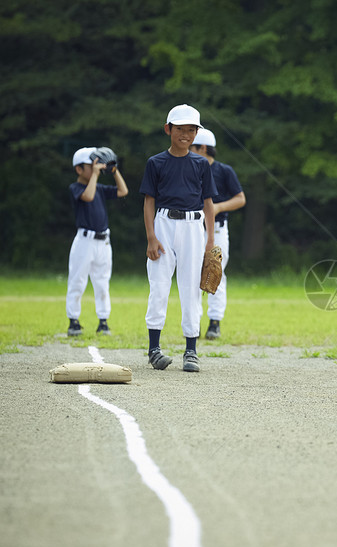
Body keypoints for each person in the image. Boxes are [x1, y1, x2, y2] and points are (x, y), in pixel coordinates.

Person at [140, 104, 217, 372]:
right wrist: (151, 237)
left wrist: (210, 240)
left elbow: (208, 203)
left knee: (191, 289)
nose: (186, 134)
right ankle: (154, 349)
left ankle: (191, 351)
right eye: (180, 128)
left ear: (197, 133)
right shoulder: (156, 162)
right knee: (159, 286)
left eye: (191, 129)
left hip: (194, 227)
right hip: (163, 224)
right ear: (168, 129)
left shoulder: (200, 164)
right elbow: (149, 201)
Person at [189, 128, 247, 340]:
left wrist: (219, 208)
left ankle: (214, 322)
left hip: (218, 229)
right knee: (193, 275)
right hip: (194, 229)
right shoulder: (191, 169)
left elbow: (240, 198)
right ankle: (194, 321)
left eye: (193, 147)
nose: (189, 150)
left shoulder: (224, 171)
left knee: (215, 273)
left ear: (203, 148)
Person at [65, 147, 128, 337]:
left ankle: (103, 321)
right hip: (85, 241)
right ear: (79, 169)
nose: (96, 169)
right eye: (90, 165)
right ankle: (73, 321)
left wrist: (114, 170)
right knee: (78, 281)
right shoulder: (76, 188)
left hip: (103, 242)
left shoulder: (99, 188)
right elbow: (88, 196)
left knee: (102, 282)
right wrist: (95, 175)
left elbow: (123, 191)